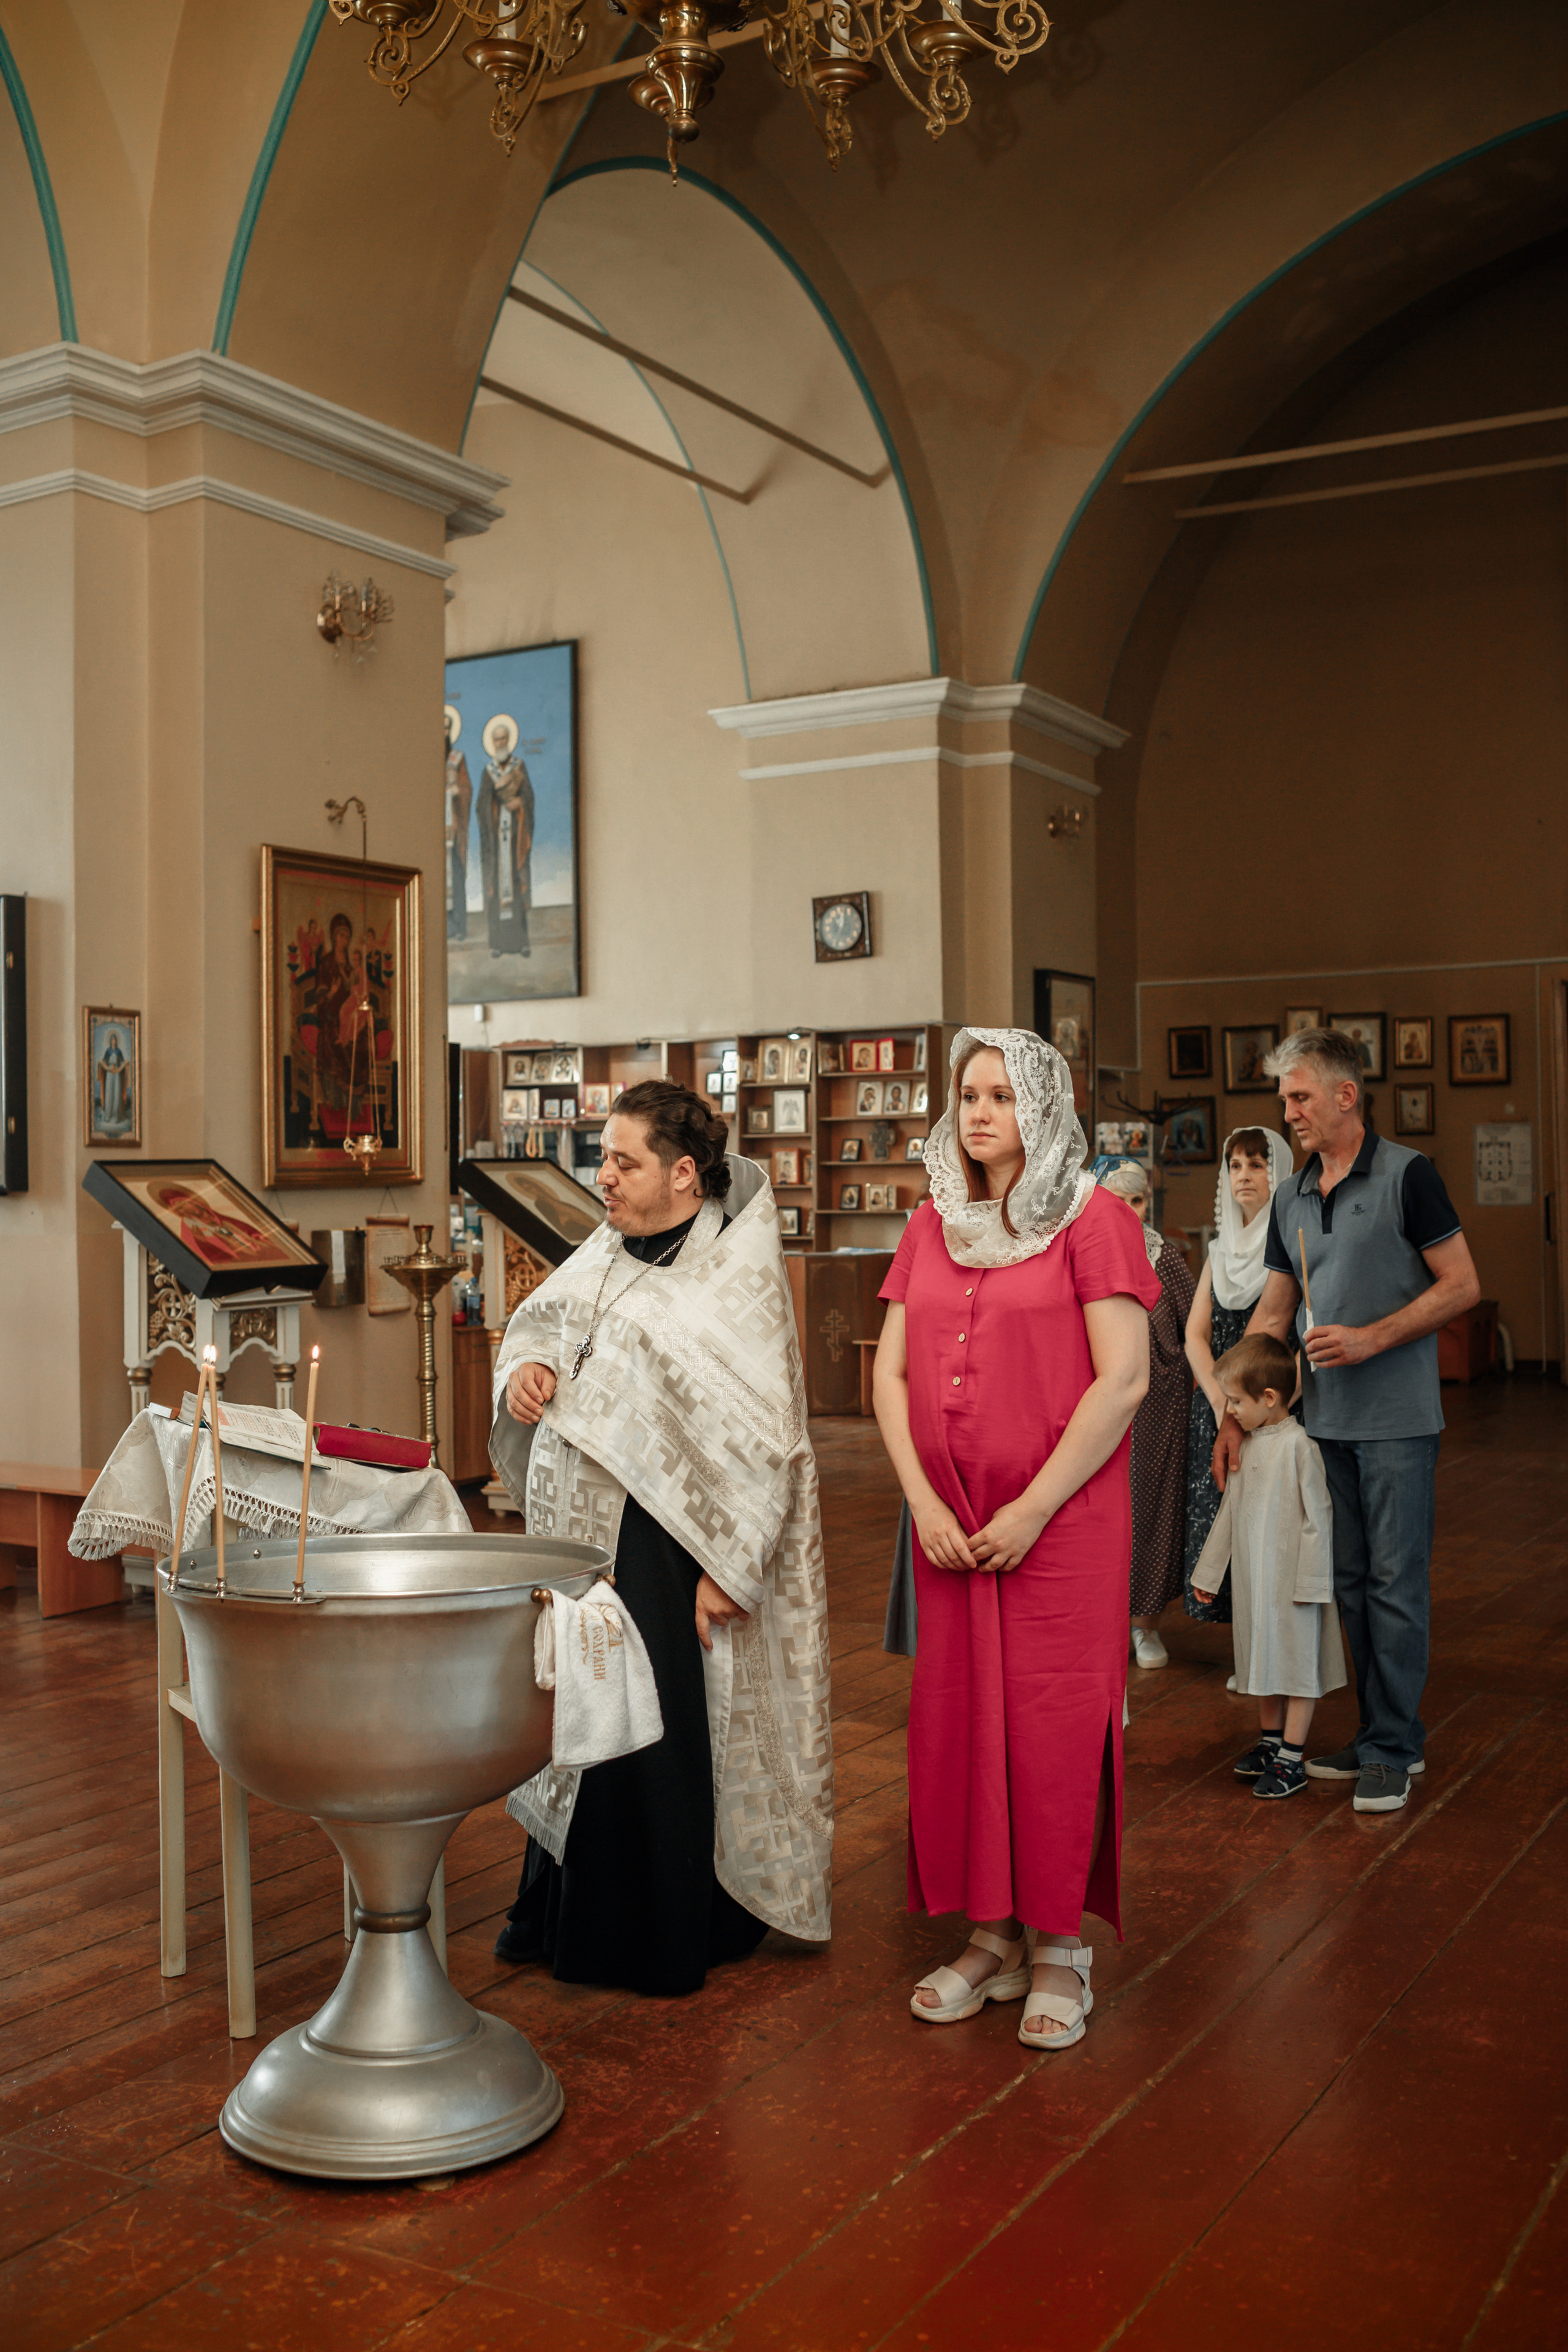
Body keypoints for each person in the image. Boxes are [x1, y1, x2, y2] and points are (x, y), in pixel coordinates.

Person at [488, 1080, 832, 1995]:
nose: (602, 1176)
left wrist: (732, 1565)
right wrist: (525, 1369)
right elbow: (544, 1326)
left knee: (644, 1724)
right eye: (604, 1158)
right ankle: (560, 1906)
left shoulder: (735, 1274)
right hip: (585, 1536)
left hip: (669, 1543)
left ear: (684, 1174)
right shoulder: (609, 1248)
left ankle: (646, 1933)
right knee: (579, 1708)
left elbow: (772, 1438)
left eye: (622, 1161)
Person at [872, 1028, 1158, 2050]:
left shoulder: (1097, 1220)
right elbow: (891, 1376)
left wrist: (1031, 1508)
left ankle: (1059, 1949)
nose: (982, 1110)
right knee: (961, 1725)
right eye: (969, 1093)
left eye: (1003, 1094)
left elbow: (1122, 1379)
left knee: (1051, 1730)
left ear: (1044, 1107)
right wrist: (927, 1507)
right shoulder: (932, 1223)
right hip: (952, 1528)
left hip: (1061, 1525)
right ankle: (988, 1935)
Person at [1213, 1027, 1480, 1813]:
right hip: (1319, 1430)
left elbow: (1462, 1284)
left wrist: (1371, 1337)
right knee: (1351, 1587)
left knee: (1397, 1585)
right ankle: (1374, 1736)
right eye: (1284, 1099)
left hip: (1398, 1422)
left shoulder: (1408, 1175)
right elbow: (1272, 1311)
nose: (1287, 1112)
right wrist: (1234, 1412)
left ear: (1344, 1095)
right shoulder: (1292, 1194)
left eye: (1299, 1096)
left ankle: (1396, 1747)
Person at [1191, 1332, 1346, 1798]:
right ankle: (1270, 1743)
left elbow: (1319, 1519)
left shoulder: (1301, 1448)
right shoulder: (1251, 1445)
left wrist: (1314, 1582)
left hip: (1295, 1583)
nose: (1230, 1412)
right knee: (1262, 1659)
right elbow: (1230, 1515)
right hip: (1256, 1582)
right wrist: (1208, 1574)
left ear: (1270, 1398)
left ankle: (1292, 1760)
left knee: (1296, 1665)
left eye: (1236, 1401)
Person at [1183, 1126, 1295, 1627]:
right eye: (1235, 1166)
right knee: (1227, 1526)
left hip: (1270, 1409)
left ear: (1281, 1171)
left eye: (1257, 1163)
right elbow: (1195, 1337)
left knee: (1269, 1526)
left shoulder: (1289, 1241)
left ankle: (1272, 1648)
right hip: (1222, 1407)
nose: (1244, 1175)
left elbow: (1273, 1332)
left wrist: (1239, 1404)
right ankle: (1243, 1649)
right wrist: (1219, 1400)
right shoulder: (1219, 1250)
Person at [1093, 1156, 1194, 1669]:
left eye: (1138, 1200)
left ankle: (1146, 1625)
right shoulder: (1081, 1253)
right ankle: (1102, 1621)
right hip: (1097, 1406)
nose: (1131, 1210)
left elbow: (1196, 1327)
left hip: (1159, 1409)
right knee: (1101, 1513)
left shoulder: (1165, 1257)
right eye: (1120, 1199)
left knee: (1151, 1510)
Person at [477, 712, 535, 958]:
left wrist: (520, 804)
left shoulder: (519, 767)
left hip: (514, 841)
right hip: (496, 841)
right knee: (496, 888)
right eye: (496, 740)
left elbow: (530, 798)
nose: (500, 743)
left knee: (517, 887)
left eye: (503, 739)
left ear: (509, 740)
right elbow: (480, 806)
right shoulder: (488, 772)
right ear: (493, 743)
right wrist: (495, 809)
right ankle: (498, 945)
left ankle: (521, 943)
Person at [443, 705, 472, 943]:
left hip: (452, 830)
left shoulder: (457, 758)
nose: (443, 732)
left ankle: (459, 926)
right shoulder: (425, 761)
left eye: (446, 727)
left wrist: (456, 791)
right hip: (433, 835)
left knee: (456, 875)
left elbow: (467, 789)